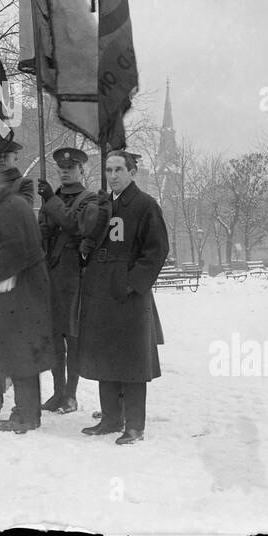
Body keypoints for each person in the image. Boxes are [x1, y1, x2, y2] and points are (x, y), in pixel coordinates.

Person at [77, 150, 169, 445]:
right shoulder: (104, 206)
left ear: (132, 172)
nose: (113, 176)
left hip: (129, 296)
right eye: (109, 170)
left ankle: (135, 426)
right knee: (106, 355)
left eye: (119, 170)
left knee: (131, 361)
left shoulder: (145, 206)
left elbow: (156, 252)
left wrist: (132, 284)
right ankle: (110, 419)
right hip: (102, 293)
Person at [0, 166, 54, 434]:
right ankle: (26, 413)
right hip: (22, 292)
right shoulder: (8, 205)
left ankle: (25, 416)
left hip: (21, 294)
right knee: (21, 355)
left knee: (21, 355)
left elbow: (15, 250)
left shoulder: (8, 209)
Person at [38, 147, 101, 413]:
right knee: (53, 338)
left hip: (73, 277)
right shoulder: (51, 197)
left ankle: (71, 395)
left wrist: (51, 201)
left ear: (81, 170)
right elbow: (42, 230)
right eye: (61, 170)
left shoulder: (90, 199)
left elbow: (75, 225)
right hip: (50, 276)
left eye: (70, 169)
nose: (65, 173)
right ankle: (57, 392)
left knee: (72, 338)